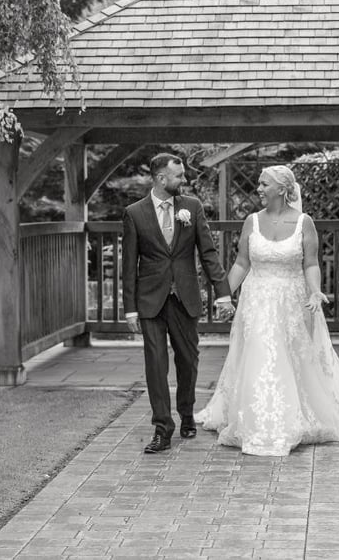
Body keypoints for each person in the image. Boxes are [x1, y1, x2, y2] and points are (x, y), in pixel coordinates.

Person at [196, 165, 339, 456]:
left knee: (291, 357)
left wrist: (315, 291)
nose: (258, 189)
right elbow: (242, 263)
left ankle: (293, 415)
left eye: (264, 184)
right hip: (257, 301)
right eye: (258, 183)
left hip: (292, 302)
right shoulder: (252, 221)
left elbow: (311, 263)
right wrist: (224, 296)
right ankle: (258, 419)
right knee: (259, 352)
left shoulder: (304, 222)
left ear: (282, 189)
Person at [122, 153, 235, 454]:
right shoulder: (134, 213)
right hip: (151, 301)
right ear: (161, 179)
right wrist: (130, 308)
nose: (184, 179)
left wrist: (223, 293)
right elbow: (129, 264)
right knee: (155, 365)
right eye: (179, 175)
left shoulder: (192, 207)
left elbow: (208, 253)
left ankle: (186, 413)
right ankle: (162, 428)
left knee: (188, 360)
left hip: (185, 298)